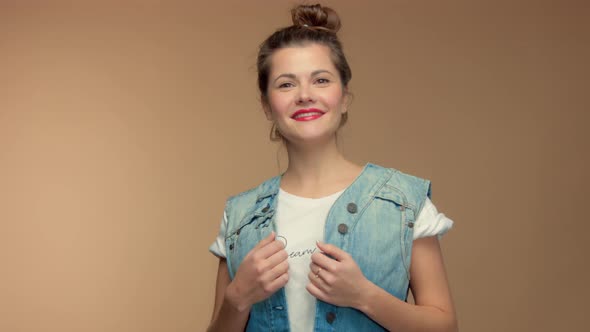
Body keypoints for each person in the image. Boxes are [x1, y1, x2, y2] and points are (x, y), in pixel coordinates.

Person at [207, 4, 457, 332]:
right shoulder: (239, 217)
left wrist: (363, 295)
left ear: (344, 96)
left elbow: (446, 327)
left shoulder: (404, 202)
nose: (305, 95)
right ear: (267, 105)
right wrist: (236, 299)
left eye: (321, 80)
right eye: (286, 85)